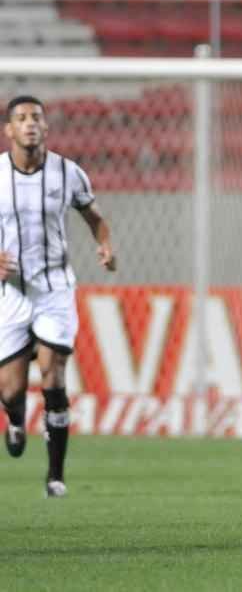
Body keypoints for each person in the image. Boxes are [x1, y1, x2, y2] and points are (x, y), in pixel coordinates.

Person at [0, 95, 117, 498]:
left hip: (55, 290)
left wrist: (105, 245)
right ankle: (14, 419)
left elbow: (95, 219)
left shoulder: (68, 173)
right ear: (9, 131)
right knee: (11, 389)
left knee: (53, 372)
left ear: (46, 127)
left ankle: (55, 477)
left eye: (36, 117)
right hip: (11, 294)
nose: (30, 123)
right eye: (21, 118)